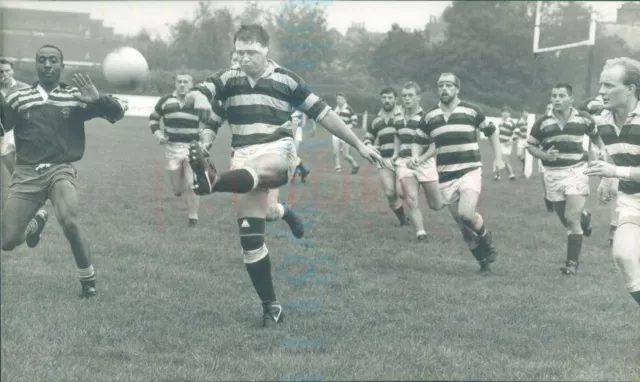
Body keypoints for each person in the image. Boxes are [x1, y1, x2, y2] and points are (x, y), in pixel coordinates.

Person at [184, 24, 384, 326]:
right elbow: (207, 112)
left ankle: (214, 182)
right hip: (243, 157)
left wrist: (358, 144)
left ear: (266, 50)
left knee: (271, 168)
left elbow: (325, 114)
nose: (245, 58)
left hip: (277, 150)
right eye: (240, 52)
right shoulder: (227, 80)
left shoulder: (288, 80)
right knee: (250, 243)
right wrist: (202, 126)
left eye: (252, 52)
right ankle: (271, 305)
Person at [0, 45, 126, 298]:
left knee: (69, 220)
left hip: (60, 169)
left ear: (62, 66)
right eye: (42, 60)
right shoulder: (17, 97)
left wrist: (98, 100)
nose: (47, 64)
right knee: (8, 241)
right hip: (26, 173)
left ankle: (88, 281)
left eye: (53, 60)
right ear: (36, 66)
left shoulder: (76, 96)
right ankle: (37, 222)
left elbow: (118, 113)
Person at [412, 72, 503, 274]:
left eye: (449, 85)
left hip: (469, 170)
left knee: (466, 213)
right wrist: (415, 157)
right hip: (445, 176)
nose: (444, 89)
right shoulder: (430, 116)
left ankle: (486, 237)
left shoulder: (472, 110)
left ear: (457, 89)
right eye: (441, 85)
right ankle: (484, 263)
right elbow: (419, 141)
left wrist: (498, 158)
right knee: (464, 227)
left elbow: (491, 132)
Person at [526, 83, 606, 276]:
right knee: (566, 220)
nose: (557, 99)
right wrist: (544, 156)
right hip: (553, 175)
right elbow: (530, 146)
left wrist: (601, 150)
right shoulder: (542, 122)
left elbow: (595, 136)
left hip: (576, 171)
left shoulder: (583, 119)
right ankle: (585, 217)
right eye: (554, 96)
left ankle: (572, 264)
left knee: (571, 219)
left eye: (561, 96)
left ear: (571, 99)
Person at [585, 57, 640, 307]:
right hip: (632, 201)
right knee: (623, 256)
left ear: (630, 89)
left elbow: (616, 166)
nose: (601, 92)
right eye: (600, 85)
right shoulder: (603, 121)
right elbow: (612, 149)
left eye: (609, 86)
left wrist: (614, 172)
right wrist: (607, 177)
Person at [149, 73, 203, 227]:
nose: (182, 84)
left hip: (192, 148)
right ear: (175, 83)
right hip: (172, 150)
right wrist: (159, 135)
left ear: (191, 84)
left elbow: (210, 122)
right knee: (178, 191)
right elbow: (153, 119)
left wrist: (203, 134)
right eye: (179, 81)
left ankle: (193, 218)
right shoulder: (166, 101)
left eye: (186, 82)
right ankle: (185, 184)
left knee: (192, 183)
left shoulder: (197, 102)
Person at [394, 81, 441, 241]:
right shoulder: (399, 117)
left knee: (436, 205)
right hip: (405, 162)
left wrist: (421, 158)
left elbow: (436, 145)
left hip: (425, 162)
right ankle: (421, 233)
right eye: (404, 96)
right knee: (411, 198)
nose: (407, 99)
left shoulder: (427, 118)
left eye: (410, 95)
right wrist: (396, 153)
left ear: (418, 97)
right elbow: (398, 135)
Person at [363, 87, 409, 226]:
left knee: (403, 192)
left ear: (395, 98)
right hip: (383, 160)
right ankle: (402, 220)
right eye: (384, 97)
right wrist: (369, 146)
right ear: (381, 99)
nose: (387, 100)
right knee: (390, 193)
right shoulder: (375, 119)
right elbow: (367, 139)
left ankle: (414, 213)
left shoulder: (404, 115)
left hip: (402, 159)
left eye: (390, 97)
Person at [581, 95, 617, 246]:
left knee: (619, 193)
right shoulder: (598, 117)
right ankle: (614, 228)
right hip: (608, 158)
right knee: (613, 194)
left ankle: (615, 229)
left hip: (626, 157)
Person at [0, 58, 29, 176]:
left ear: (12, 71)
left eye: (7, 71)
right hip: (4, 134)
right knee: (15, 175)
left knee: (28, 170)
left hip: (24, 133)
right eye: (1, 72)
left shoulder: (24, 88)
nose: (4, 74)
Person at [332, 94, 360, 174]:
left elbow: (355, 121)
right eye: (337, 99)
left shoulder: (349, 109)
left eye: (341, 99)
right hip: (336, 132)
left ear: (345, 100)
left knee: (345, 155)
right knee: (335, 151)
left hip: (346, 134)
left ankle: (355, 165)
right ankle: (338, 168)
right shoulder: (336, 109)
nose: (338, 101)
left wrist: (347, 128)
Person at [494, 106, 517, 181]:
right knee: (502, 158)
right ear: (501, 113)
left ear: (510, 114)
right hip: (500, 143)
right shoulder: (499, 122)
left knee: (504, 159)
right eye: (504, 112)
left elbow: (517, 133)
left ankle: (501, 175)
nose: (505, 114)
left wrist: (511, 141)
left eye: (507, 112)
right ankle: (510, 174)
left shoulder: (511, 123)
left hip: (507, 144)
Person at [289, 110, 312, 183]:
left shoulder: (301, 110)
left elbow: (303, 124)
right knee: (291, 154)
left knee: (294, 154)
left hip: (296, 131)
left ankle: (293, 175)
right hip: (289, 130)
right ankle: (303, 171)